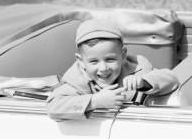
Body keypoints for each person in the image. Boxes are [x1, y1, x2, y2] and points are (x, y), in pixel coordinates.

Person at [47, 19, 178, 120]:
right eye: (94, 61)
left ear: (123, 55)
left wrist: (144, 82)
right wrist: (95, 101)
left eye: (110, 59)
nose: (103, 68)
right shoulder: (77, 81)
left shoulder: (136, 67)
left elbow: (171, 79)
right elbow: (53, 106)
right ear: (81, 61)